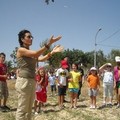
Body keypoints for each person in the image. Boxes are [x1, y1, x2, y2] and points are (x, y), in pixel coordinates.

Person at [15, 29, 63, 120]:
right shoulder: (21, 50)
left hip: (31, 82)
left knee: (29, 109)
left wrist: (52, 52)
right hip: (24, 82)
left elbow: (42, 59)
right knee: (22, 109)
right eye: (28, 37)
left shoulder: (30, 53)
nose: (31, 38)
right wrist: (49, 43)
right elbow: (37, 54)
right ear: (22, 39)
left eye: (31, 37)